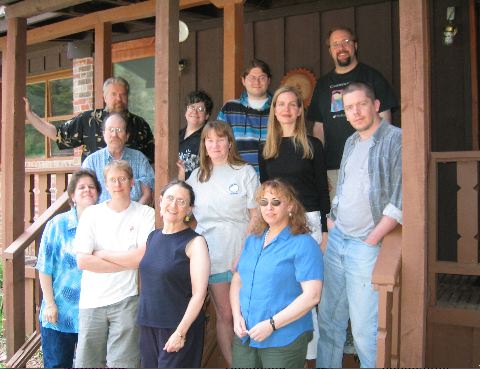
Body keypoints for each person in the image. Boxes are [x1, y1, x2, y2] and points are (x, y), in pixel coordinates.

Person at [316, 82, 402, 368]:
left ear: (375, 105)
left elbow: (401, 199)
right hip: (339, 238)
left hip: (365, 244)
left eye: (361, 104)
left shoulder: (395, 140)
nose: (355, 112)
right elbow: (342, 187)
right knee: (329, 322)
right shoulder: (352, 141)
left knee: (365, 331)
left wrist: (372, 238)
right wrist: (332, 221)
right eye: (348, 107)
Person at [93, 180, 210, 368]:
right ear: (161, 201)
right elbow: (136, 264)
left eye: (181, 201)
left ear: (189, 209)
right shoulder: (153, 237)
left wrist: (180, 333)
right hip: (149, 324)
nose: (173, 205)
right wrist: (102, 254)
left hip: (178, 327)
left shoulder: (195, 243)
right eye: (170, 198)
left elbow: (199, 294)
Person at [258, 85, 330, 365]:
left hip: (309, 222)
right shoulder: (268, 150)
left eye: (292, 104)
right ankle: (289, 350)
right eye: (280, 104)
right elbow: (267, 194)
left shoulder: (313, 145)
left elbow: (323, 190)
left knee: (308, 291)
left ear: (300, 110)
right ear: (274, 111)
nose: (286, 109)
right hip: (279, 223)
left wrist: (323, 229)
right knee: (286, 287)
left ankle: (310, 355)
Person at [179, 120, 259, 366]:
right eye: (209, 140)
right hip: (211, 255)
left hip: (242, 250)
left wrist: (244, 252)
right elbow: (184, 214)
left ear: (229, 142)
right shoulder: (197, 176)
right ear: (204, 144)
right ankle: (235, 364)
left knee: (248, 314)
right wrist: (180, 180)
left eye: (220, 139)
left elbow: (256, 216)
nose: (215, 145)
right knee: (225, 314)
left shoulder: (245, 172)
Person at [230, 179, 323, 368]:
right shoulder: (253, 240)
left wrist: (271, 325)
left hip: (284, 337)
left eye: (276, 202)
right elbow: (238, 280)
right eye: (263, 203)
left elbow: (312, 296)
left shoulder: (304, 244)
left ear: (290, 206)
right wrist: (236, 316)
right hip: (245, 335)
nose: (269, 208)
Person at [73, 160, 155, 368]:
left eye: (122, 179)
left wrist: (103, 254)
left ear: (132, 182)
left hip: (126, 299)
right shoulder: (92, 214)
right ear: (106, 184)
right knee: (87, 362)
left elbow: (140, 258)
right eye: (112, 180)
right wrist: (127, 261)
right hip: (92, 301)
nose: (117, 184)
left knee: (124, 363)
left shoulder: (145, 213)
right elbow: (83, 260)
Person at [307, 26, 398, 197]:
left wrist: (380, 158)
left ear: (355, 46)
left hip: (368, 165)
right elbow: (318, 128)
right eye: (335, 44)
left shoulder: (372, 77)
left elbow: (385, 120)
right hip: (333, 167)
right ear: (330, 51)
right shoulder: (323, 84)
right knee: (337, 216)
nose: (341, 47)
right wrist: (319, 165)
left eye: (346, 42)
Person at [36, 170, 101, 368]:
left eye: (91, 187)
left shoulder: (104, 224)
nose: (87, 190)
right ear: (72, 195)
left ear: (98, 193)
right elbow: (44, 267)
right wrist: (49, 304)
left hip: (93, 314)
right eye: (81, 187)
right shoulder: (57, 225)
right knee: (57, 365)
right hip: (59, 312)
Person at [24, 76, 155, 163]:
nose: (119, 99)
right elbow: (57, 134)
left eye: (123, 95)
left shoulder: (140, 124)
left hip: (131, 199)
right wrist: (30, 115)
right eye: (114, 94)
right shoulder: (88, 119)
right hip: (95, 196)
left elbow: (152, 161)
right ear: (105, 97)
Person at [82, 113, 154, 204]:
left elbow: (148, 194)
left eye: (119, 130)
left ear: (127, 136)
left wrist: (133, 216)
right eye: (111, 130)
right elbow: (86, 198)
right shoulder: (91, 162)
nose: (114, 135)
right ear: (104, 134)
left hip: (135, 215)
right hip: (101, 216)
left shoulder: (140, 159)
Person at [217, 59, 273, 171]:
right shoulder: (229, 109)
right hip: (238, 178)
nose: (256, 82)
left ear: (269, 80)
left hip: (273, 180)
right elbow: (217, 141)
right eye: (252, 78)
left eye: (261, 78)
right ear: (243, 80)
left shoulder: (279, 108)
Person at [179, 90, 214, 179]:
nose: (195, 112)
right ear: (186, 111)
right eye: (192, 107)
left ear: (207, 115)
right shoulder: (175, 136)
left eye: (200, 109)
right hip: (175, 187)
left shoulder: (209, 138)